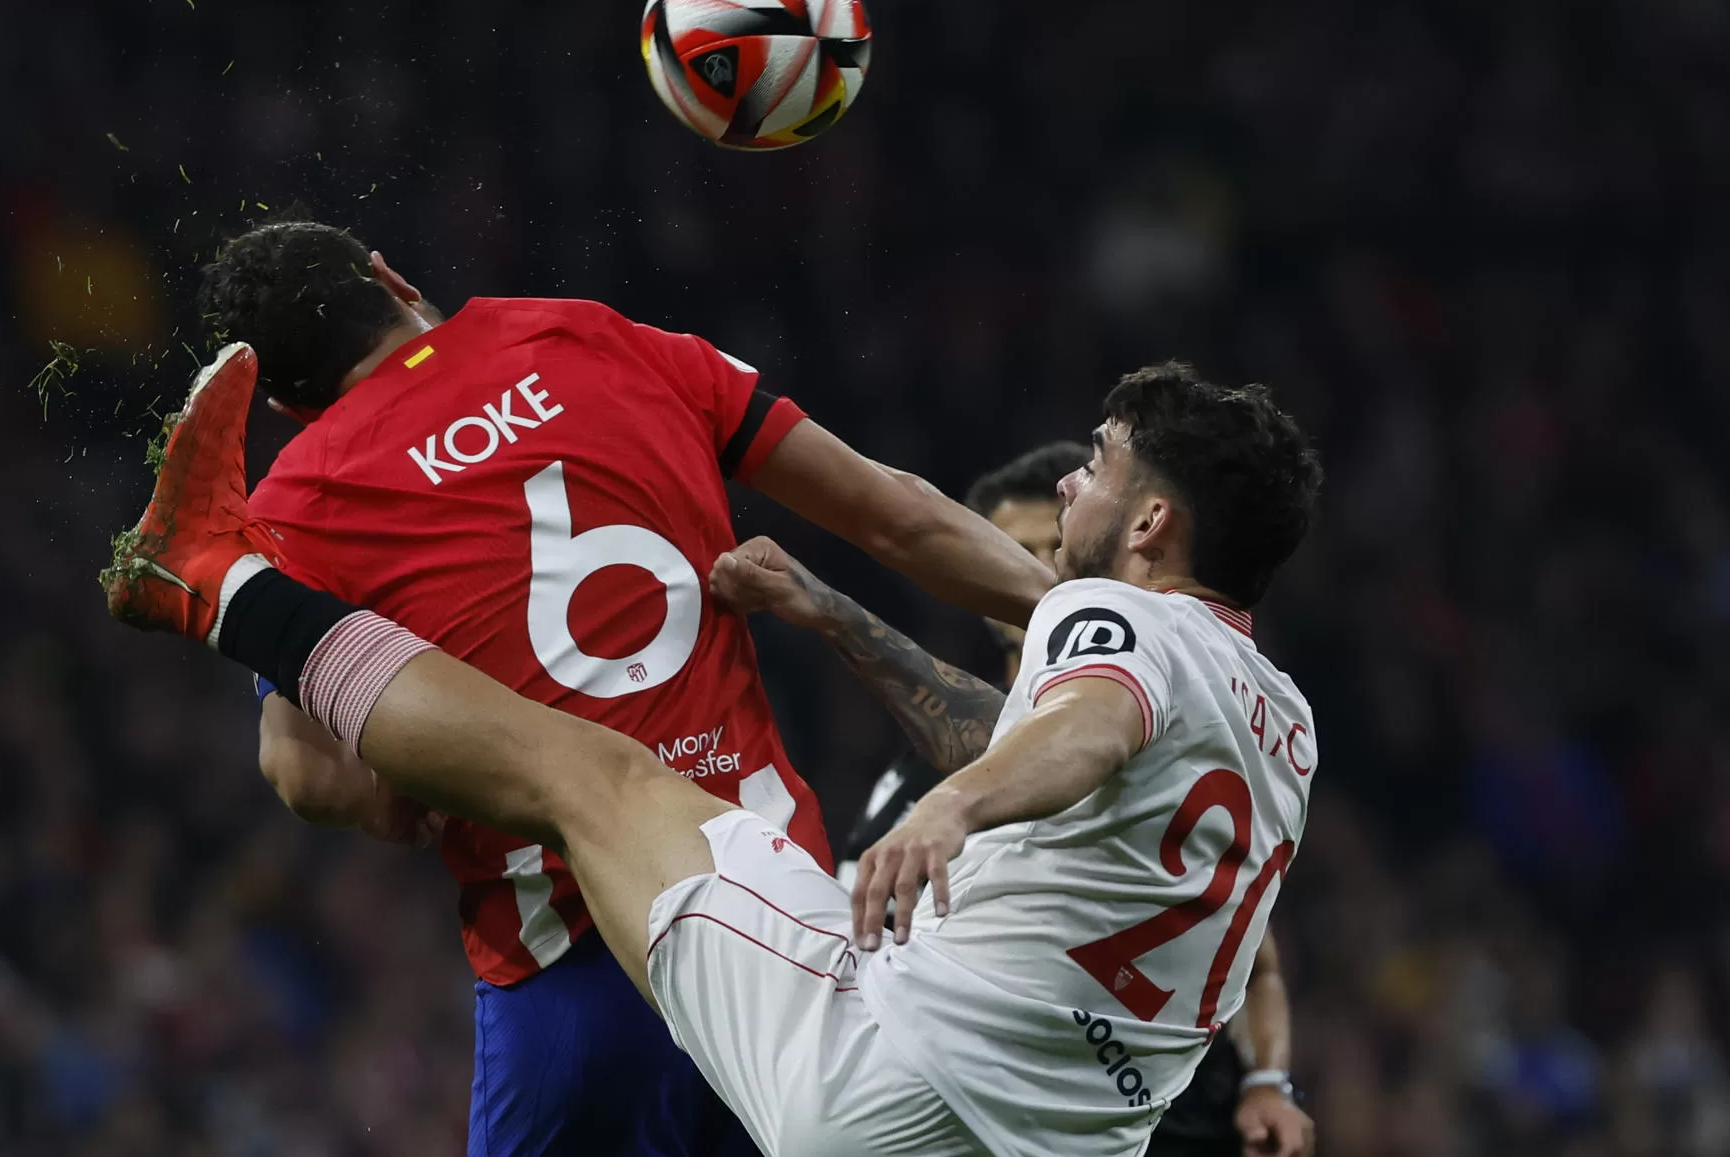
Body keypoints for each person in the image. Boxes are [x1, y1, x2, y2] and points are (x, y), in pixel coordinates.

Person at [105, 348, 1323, 1156]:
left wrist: (953, 807)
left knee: (590, 772)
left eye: (1100, 463)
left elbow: (1086, 723)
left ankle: (218, 584)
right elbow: (1084, 724)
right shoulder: (1282, 717)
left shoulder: (1109, 628)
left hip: (887, 1078)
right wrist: (844, 617)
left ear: (1153, 522)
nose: (1072, 474)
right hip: (1054, 1139)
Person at [189, 219, 1055, 1155]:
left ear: (281, 407)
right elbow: (899, 516)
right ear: (392, 278)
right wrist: (1106, 624)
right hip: (786, 931)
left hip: (573, 974)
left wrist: (401, 783)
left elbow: (308, 776)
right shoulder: (596, 336)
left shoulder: (297, 506)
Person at [745, 440, 1313, 1157]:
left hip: (1161, 1122)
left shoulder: (1140, 731)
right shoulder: (936, 778)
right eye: (1017, 549)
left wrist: (1268, 1079)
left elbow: (1258, 962)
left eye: (1053, 542)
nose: (1043, 567)